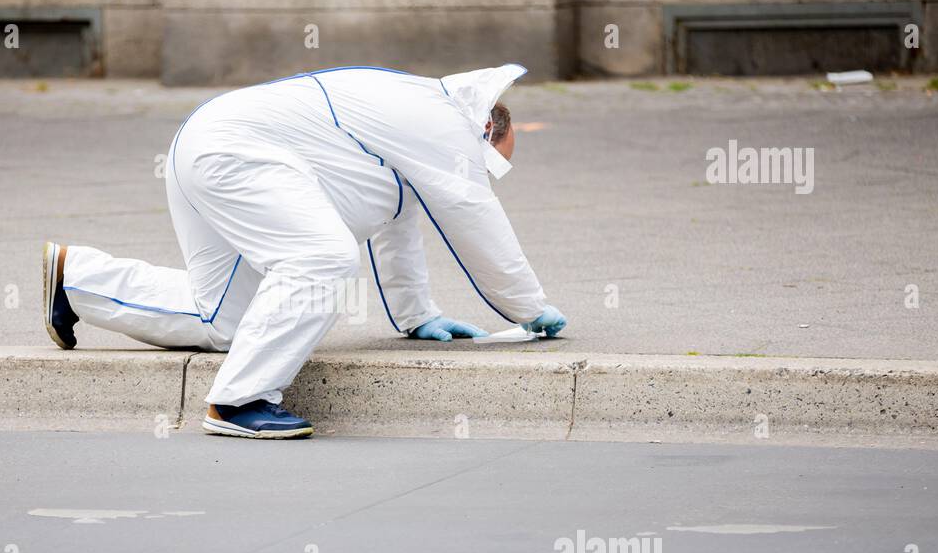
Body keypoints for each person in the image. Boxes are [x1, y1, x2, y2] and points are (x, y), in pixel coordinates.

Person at [43, 64, 567, 439]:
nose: (484, 177)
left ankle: (78, 279)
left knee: (229, 322)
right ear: (483, 130)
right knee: (324, 259)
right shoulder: (444, 124)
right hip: (233, 152)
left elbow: (397, 224)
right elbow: (474, 214)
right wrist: (529, 309)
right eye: (490, 165)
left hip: (210, 149)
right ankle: (238, 403)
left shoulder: (413, 131)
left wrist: (417, 316)